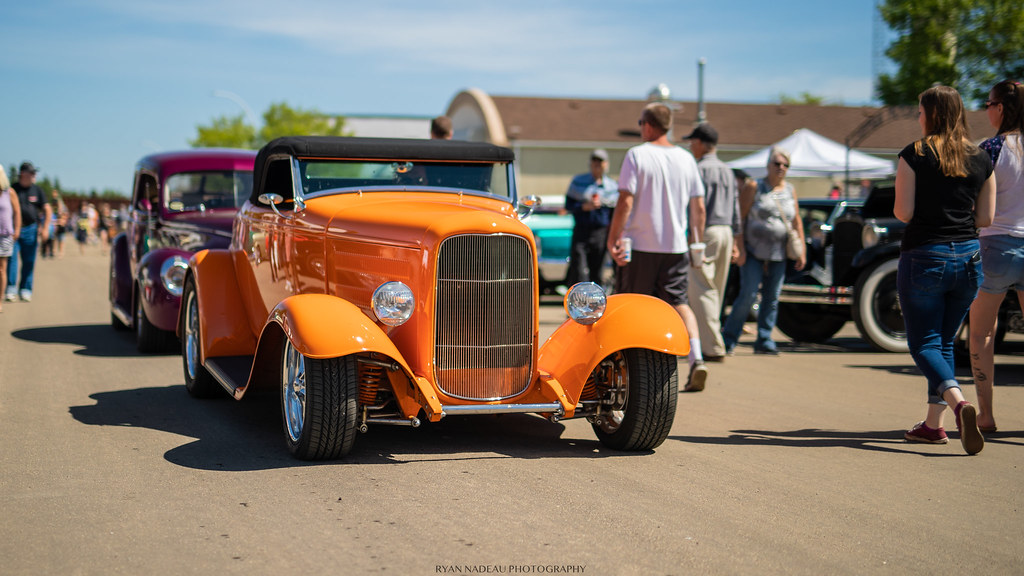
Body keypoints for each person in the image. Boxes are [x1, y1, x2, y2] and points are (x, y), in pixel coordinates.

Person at [896, 85, 995, 455]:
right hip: (969, 258)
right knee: (942, 341)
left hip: (925, 255)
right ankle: (932, 427)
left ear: (932, 113)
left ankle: (958, 405)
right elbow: (985, 217)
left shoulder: (915, 154)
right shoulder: (981, 158)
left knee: (923, 343)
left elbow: (903, 213)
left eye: (921, 112)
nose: (919, 118)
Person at [607, 102, 709, 391]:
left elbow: (625, 200)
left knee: (632, 306)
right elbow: (698, 206)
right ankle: (696, 358)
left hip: (640, 244)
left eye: (641, 123)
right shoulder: (687, 158)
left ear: (649, 125)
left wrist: (613, 237)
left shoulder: (637, 155)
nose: (640, 128)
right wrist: (696, 241)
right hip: (675, 246)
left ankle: (632, 371)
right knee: (679, 303)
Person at [967, 80, 1024, 435]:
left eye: (989, 104)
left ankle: (986, 414)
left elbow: (974, 203)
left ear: (1001, 108)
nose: (987, 110)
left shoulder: (988, 148)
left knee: (981, 334)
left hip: (995, 248)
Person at [721, 147, 806, 355]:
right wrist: (738, 247)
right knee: (748, 295)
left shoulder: (789, 190)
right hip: (752, 251)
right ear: (768, 165)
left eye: (785, 165)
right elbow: (739, 218)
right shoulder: (754, 187)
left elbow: (796, 220)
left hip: (779, 253)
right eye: (777, 164)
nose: (781, 168)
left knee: (772, 297)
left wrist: (801, 250)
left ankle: (764, 340)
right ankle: (728, 340)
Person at [684, 123, 740, 361]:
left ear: (700, 143)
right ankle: (710, 341)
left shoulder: (699, 169)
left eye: (692, 141)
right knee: (715, 289)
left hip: (706, 233)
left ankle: (713, 346)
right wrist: (737, 240)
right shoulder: (728, 170)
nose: (689, 146)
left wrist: (692, 236)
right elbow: (736, 207)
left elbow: (696, 208)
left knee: (702, 289)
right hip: (726, 231)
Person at [564, 149, 618, 287]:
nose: (597, 165)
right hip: (582, 230)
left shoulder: (612, 186)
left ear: (606, 164)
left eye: (600, 162)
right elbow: (568, 205)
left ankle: (595, 304)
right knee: (579, 269)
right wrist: (584, 207)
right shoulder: (578, 181)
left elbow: (615, 213)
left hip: (601, 232)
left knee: (597, 271)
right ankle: (578, 302)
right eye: (594, 161)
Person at [5, 162, 51, 302]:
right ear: (23, 174)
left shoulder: (37, 190)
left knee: (29, 261)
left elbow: (47, 209)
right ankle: (11, 288)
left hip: (31, 229)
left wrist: (45, 228)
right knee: (11, 259)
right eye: (31, 173)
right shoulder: (12, 189)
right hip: (13, 230)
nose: (34, 176)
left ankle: (25, 288)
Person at [0, 166, 22, 313]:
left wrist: (17, 230)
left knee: (1, 269)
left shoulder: (9, 193)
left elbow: (17, 212)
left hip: (5, 236)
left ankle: (0, 299)